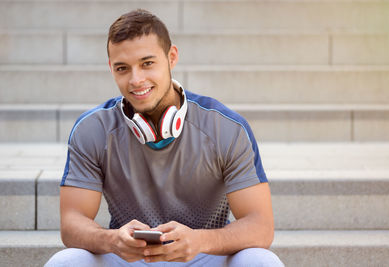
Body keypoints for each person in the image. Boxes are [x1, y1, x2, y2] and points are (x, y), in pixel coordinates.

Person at [45, 9, 284, 267]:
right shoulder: (91, 130)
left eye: (147, 63)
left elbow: (260, 227)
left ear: (172, 57)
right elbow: (72, 223)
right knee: (66, 261)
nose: (136, 80)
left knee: (261, 261)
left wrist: (199, 241)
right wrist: (112, 240)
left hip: (205, 255)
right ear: (111, 69)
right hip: (129, 257)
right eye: (123, 68)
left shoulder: (226, 128)